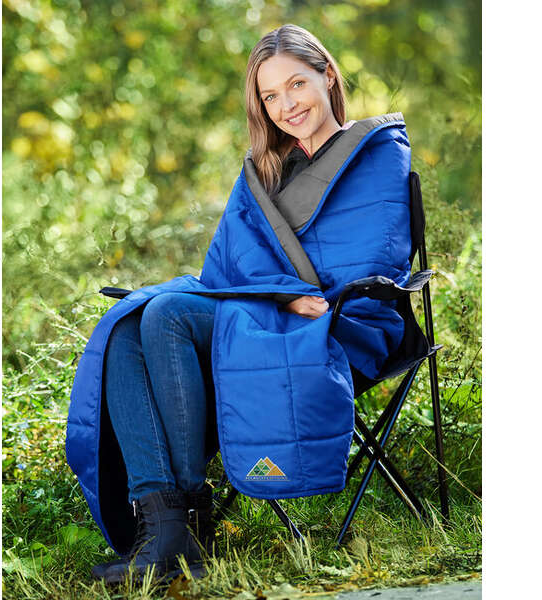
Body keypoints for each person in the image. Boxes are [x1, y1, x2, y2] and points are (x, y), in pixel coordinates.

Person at [89, 23, 374, 584]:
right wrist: (279, 295)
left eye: (297, 84)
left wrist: (290, 298)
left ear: (327, 76)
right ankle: (162, 525)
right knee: (125, 324)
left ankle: (191, 519)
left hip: (338, 319)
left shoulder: (373, 152)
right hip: (269, 310)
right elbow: (232, 263)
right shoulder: (266, 168)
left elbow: (369, 255)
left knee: (168, 315)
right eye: (271, 96)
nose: (287, 105)